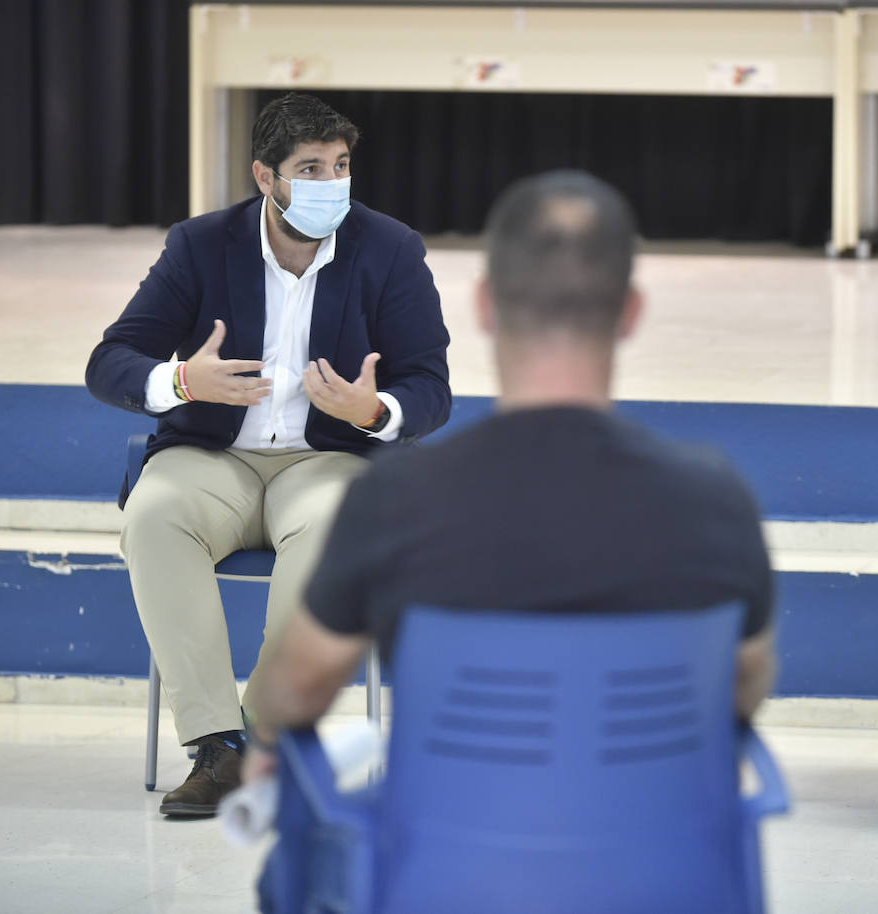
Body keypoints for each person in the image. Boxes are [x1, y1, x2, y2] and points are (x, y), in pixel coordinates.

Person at [240, 169, 777, 787]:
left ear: (485, 306)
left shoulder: (396, 500)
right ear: (631, 312)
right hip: (658, 844)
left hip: (447, 843)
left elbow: (296, 688)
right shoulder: (713, 498)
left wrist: (267, 738)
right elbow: (745, 682)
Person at [85, 93, 451, 817]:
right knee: (153, 517)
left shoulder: (390, 249)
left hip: (328, 459)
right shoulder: (200, 245)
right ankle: (216, 744)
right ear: (265, 176)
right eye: (310, 168)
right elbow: (111, 360)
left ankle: (263, 737)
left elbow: (430, 387)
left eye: (340, 166)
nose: (331, 182)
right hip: (211, 456)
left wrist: (374, 410)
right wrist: (182, 382)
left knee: (336, 530)